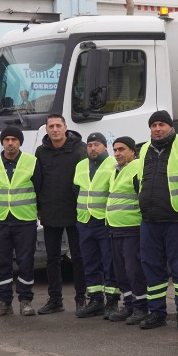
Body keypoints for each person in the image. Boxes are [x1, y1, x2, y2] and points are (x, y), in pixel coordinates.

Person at [138, 110, 178, 330]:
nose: (157, 129)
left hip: (177, 220)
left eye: (161, 124)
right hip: (149, 220)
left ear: (170, 126)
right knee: (152, 267)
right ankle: (156, 312)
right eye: (153, 125)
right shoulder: (144, 149)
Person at [0, 125, 38, 317]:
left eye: (14, 139)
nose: (10, 143)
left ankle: (25, 301)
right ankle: (4, 302)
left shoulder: (32, 162)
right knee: (1, 262)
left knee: (26, 261)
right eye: (7, 139)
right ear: (2, 142)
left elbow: (39, 188)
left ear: (20, 142)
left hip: (25, 220)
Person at [33, 114, 85, 316]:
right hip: (50, 211)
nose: (54, 129)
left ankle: (81, 299)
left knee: (78, 258)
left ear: (65, 127)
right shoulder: (41, 152)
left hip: (75, 211)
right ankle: (55, 300)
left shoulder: (80, 149)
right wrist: (39, 207)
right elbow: (38, 181)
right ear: (46, 129)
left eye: (58, 126)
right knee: (52, 258)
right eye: (51, 126)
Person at [73, 132, 116, 319]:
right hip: (84, 220)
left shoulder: (113, 164)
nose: (92, 148)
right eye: (89, 145)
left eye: (96, 144)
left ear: (105, 146)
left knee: (109, 262)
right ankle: (96, 300)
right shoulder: (81, 165)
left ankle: (112, 301)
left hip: (104, 221)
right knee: (90, 262)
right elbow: (76, 189)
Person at [103, 137, 145, 322]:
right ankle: (129, 305)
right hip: (115, 229)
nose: (117, 153)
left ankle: (141, 307)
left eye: (121, 149)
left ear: (132, 152)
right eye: (115, 150)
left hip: (132, 229)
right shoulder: (116, 170)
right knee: (120, 272)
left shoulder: (136, 168)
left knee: (133, 271)